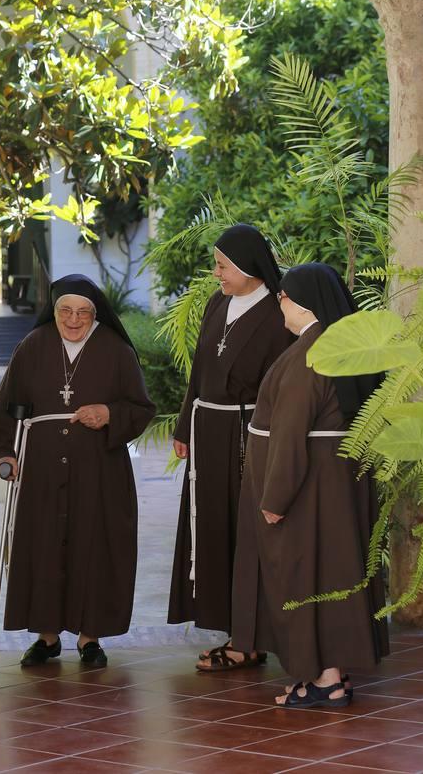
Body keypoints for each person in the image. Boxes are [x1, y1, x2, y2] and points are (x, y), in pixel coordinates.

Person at [231, 262, 389, 708]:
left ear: (302, 302)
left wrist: (275, 498)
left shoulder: (311, 352)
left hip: (307, 489)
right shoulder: (340, 344)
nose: (279, 303)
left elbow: (290, 431)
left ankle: (323, 679)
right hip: (334, 483)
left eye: (282, 296)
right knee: (333, 574)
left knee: (304, 577)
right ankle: (333, 674)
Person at [0, 274, 155, 668]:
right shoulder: (33, 345)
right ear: (54, 310)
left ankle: (89, 637)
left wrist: (109, 413)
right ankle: (46, 638)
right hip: (41, 470)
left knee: (94, 548)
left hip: (100, 471)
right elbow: (4, 407)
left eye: (83, 313)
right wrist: (1, 454)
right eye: (65, 311)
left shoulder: (116, 349)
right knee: (44, 548)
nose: (73, 320)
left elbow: (141, 408)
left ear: (95, 314)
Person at [168, 224, 292, 672]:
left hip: (249, 433)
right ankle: (232, 629)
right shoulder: (217, 303)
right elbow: (200, 372)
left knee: (246, 533)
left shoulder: (278, 312)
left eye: (223, 266)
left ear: (249, 267)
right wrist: (185, 425)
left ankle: (249, 638)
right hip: (209, 432)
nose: (216, 273)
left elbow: (283, 385)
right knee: (214, 528)